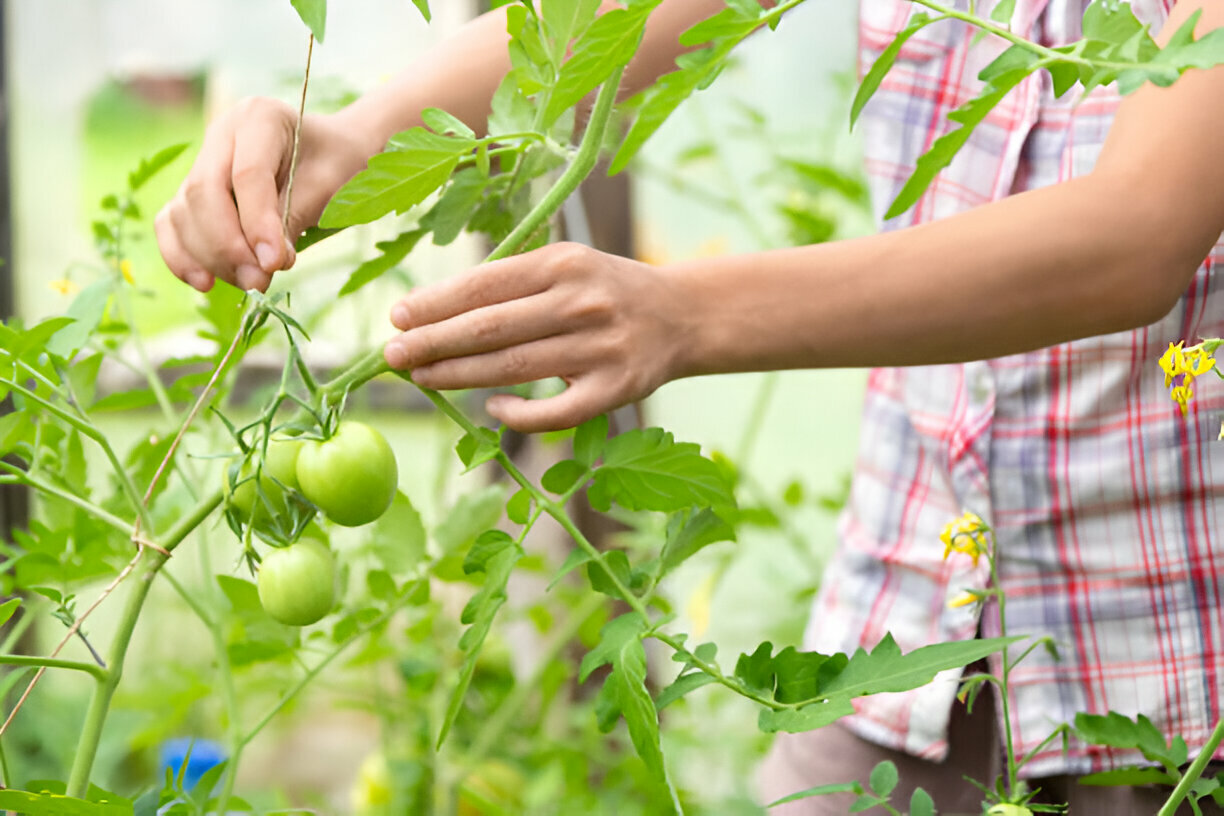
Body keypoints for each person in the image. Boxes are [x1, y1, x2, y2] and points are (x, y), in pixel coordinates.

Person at [157, 0, 1224, 812]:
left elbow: (1137, 231)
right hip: (903, 625)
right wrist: (364, 128)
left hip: (1175, 667)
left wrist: (684, 315)